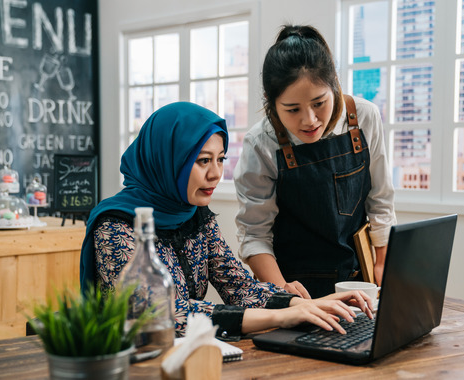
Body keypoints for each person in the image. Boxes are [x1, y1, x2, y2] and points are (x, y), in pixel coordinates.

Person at [79, 101, 373, 340]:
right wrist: (281, 315)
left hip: (188, 356)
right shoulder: (116, 226)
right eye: (203, 161)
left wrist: (307, 304)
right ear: (167, 161)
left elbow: (238, 285)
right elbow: (161, 314)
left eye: (220, 159)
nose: (216, 174)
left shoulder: (195, 215)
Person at [234, 25, 397, 299]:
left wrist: (383, 265)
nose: (309, 120)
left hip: (358, 281)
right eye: (293, 110)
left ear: (334, 84)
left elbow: (380, 201)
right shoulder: (261, 143)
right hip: (295, 288)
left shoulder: (363, 117)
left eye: (319, 103)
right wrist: (283, 292)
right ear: (271, 104)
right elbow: (254, 234)